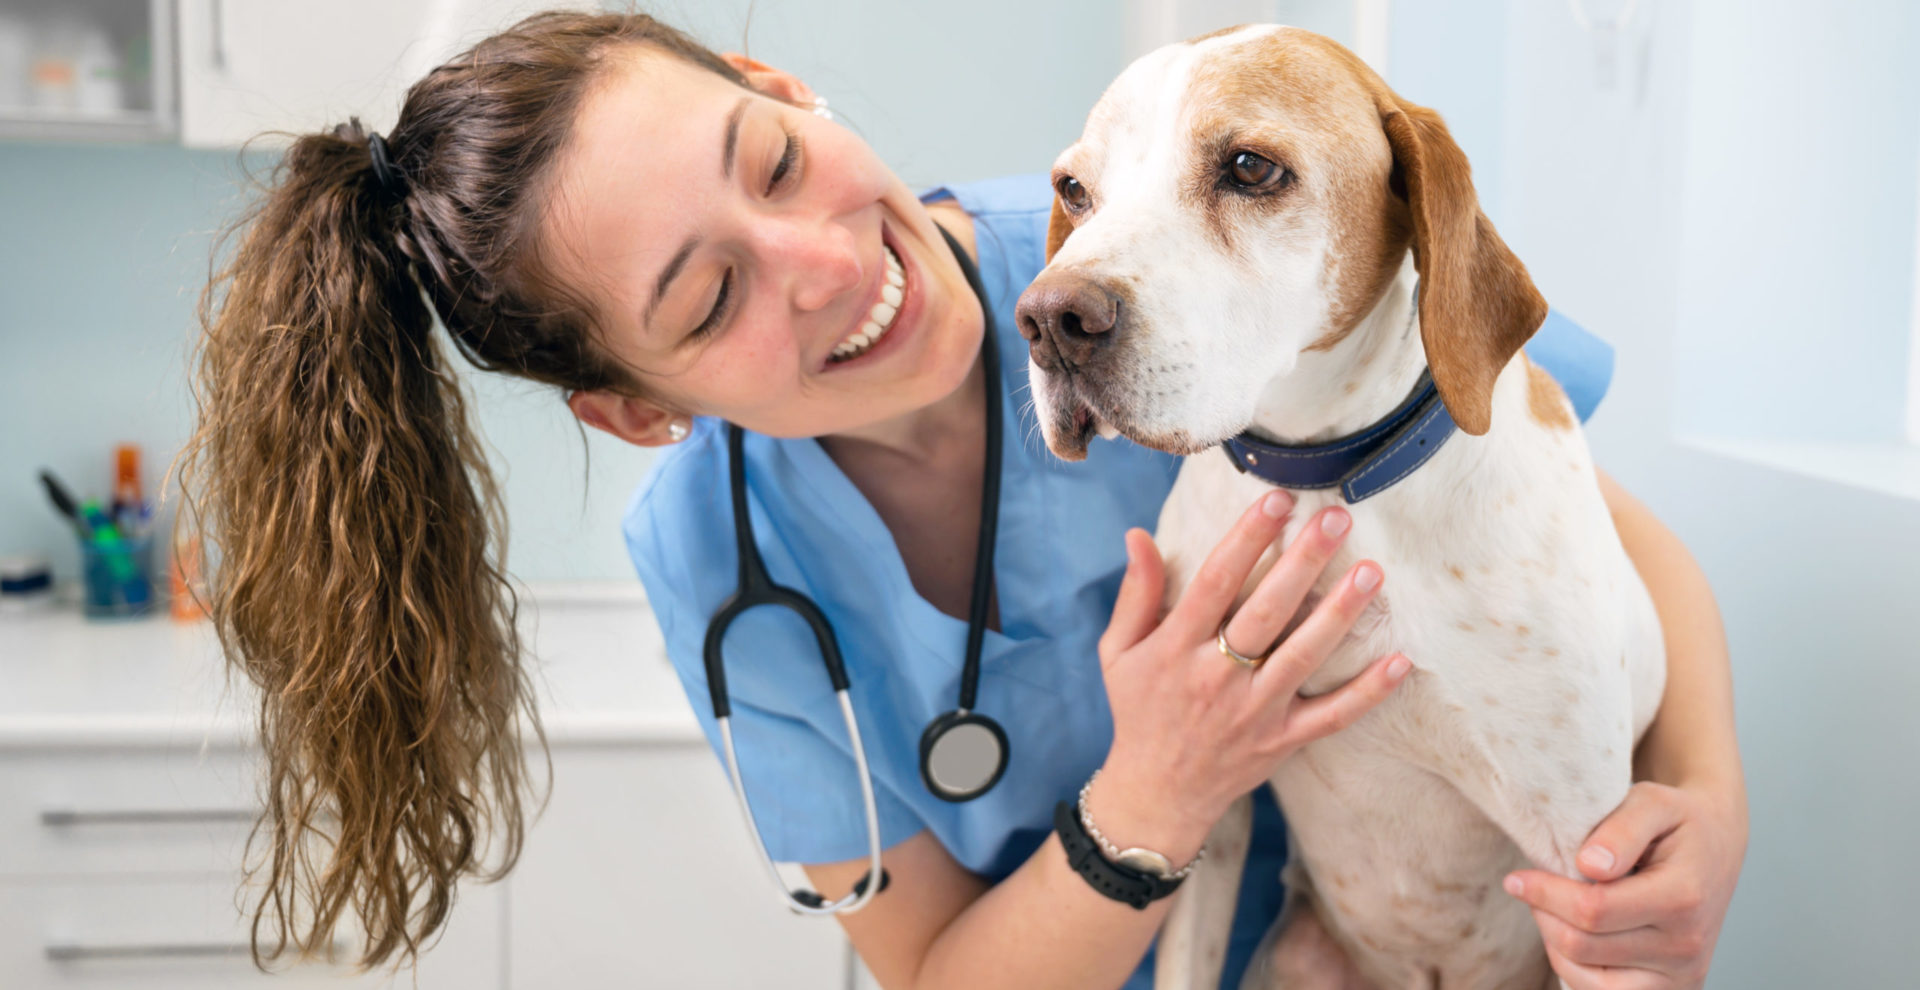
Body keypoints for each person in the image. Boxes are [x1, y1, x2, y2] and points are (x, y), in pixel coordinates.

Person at [180, 10, 1747, 988]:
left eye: (774, 160)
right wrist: (1160, 787)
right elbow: (933, 973)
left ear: (784, 84)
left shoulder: (1109, 261)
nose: (825, 261)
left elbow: (1578, 529)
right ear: (636, 411)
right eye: (711, 293)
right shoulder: (727, 566)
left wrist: (1711, 806)